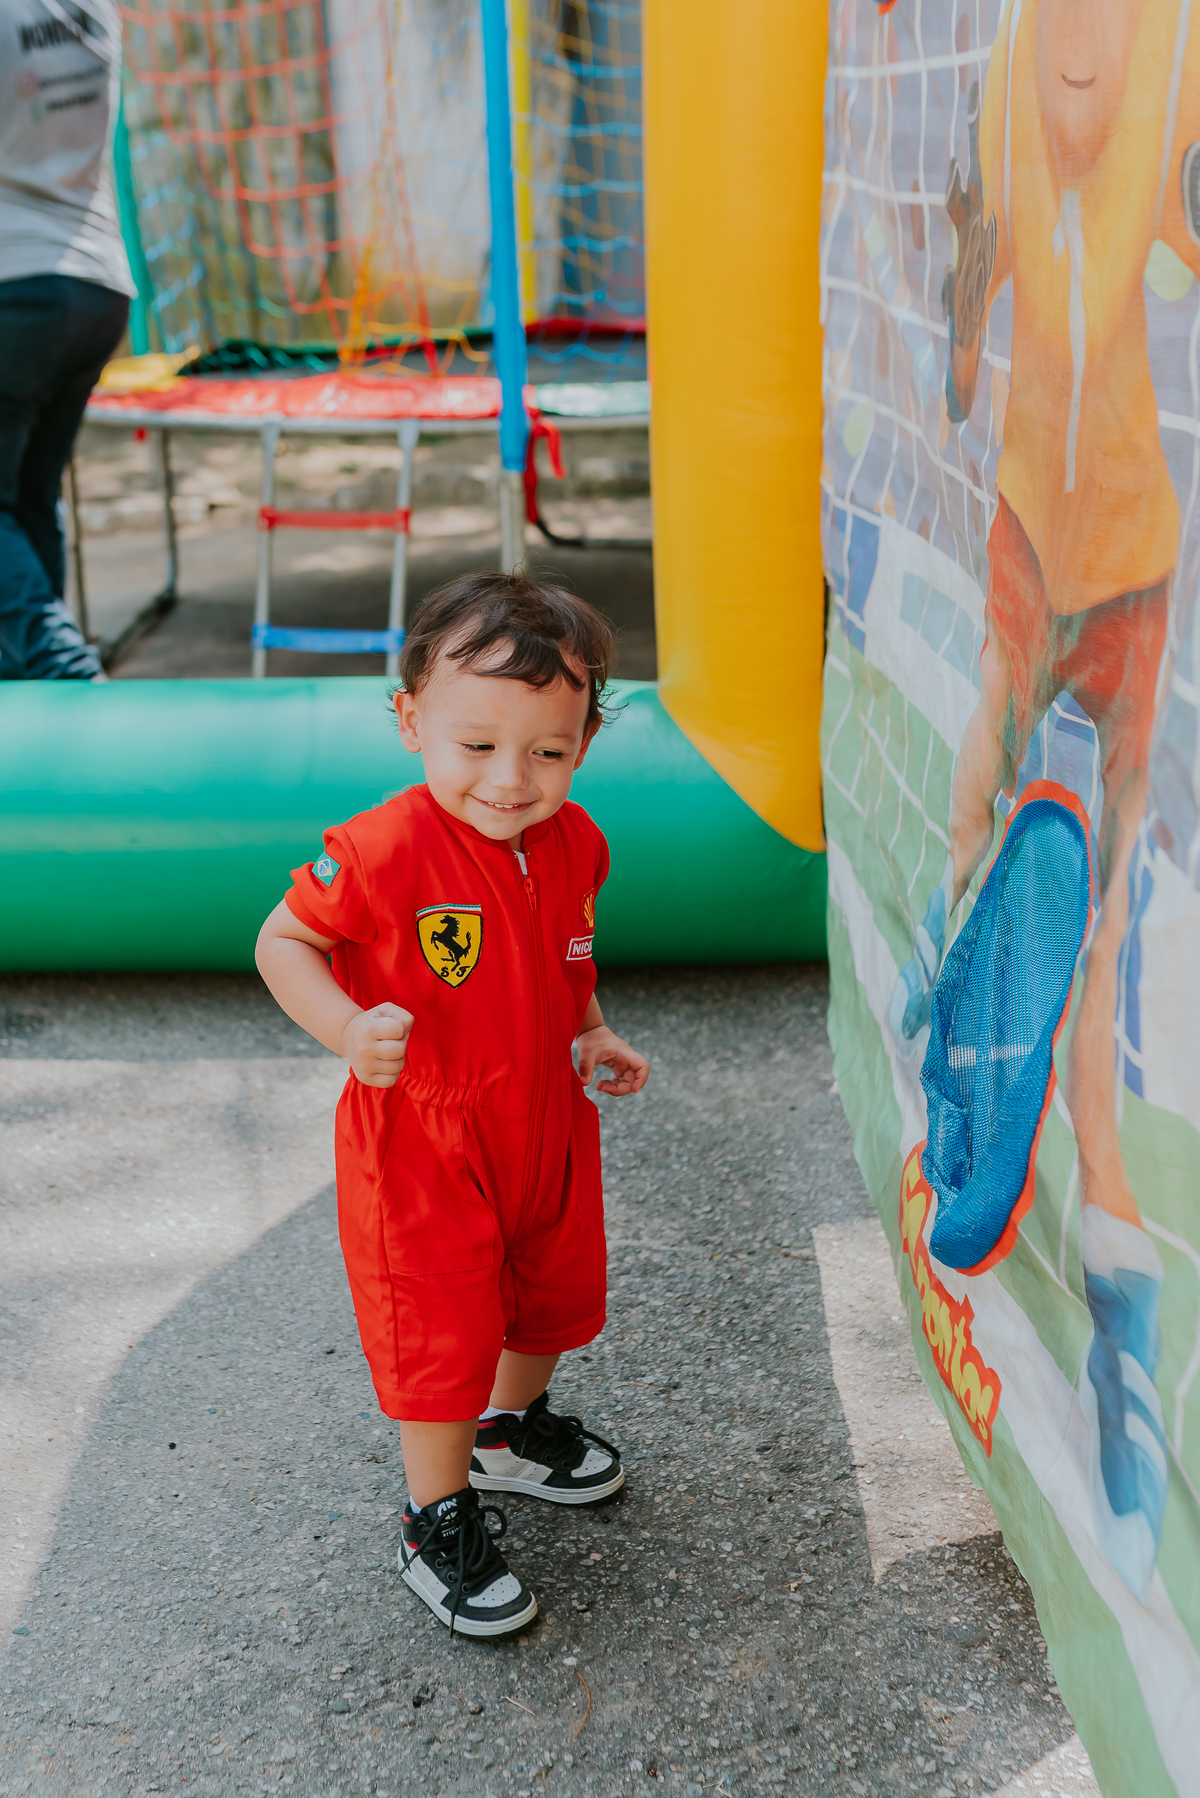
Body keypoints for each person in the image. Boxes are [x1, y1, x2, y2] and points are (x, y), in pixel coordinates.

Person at [890, 0, 1200, 1598]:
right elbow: (954, 338)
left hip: (1133, 551)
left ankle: (1124, 1302)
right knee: (978, 816)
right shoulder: (1007, 75)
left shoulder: (1178, 56)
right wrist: (953, 265)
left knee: (1110, 932)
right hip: (1027, 534)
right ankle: (958, 1039)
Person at [255, 574, 650, 1638]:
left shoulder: (576, 843)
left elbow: (569, 955)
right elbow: (281, 941)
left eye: (548, 751)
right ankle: (436, 1512)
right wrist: (346, 1027)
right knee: (442, 1335)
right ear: (410, 719)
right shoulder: (381, 850)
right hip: (425, 1139)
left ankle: (509, 1432)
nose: (510, 780)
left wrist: (590, 1031)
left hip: (544, 1121)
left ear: (585, 741)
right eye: (476, 746)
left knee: (548, 1293)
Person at [0, 0, 137, 679]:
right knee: (26, 497)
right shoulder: (92, 11)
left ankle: (63, 671)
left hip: (15, 279)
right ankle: (36, 696)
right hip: (95, 283)